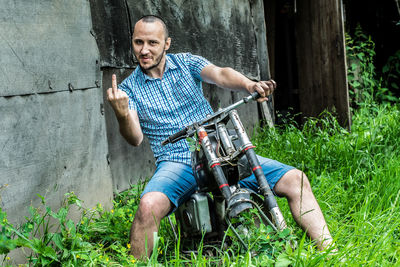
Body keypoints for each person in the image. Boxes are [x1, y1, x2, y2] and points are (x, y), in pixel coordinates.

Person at [107, 15, 334, 259]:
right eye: (138, 42)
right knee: (148, 206)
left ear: (167, 44)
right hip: (177, 161)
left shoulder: (186, 63)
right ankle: (137, 264)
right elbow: (135, 138)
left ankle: (331, 254)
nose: (144, 50)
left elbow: (221, 74)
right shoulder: (128, 89)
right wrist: (121, 115)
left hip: (219, 150)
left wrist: (249, 85)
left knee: (296, 180)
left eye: (152, 42)